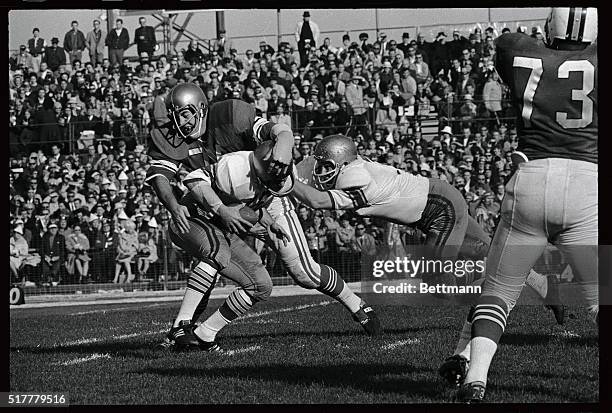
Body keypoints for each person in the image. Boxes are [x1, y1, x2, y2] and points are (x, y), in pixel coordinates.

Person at [149, 83, 380, 350]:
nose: (182, 121)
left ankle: (357, 304)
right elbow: (169, 178)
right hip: (218, 202)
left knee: (304, 273)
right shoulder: (170, 137)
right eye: (176, 114)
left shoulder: (229, 114)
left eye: (188, 113)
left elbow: (274, 129)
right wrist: (192, 207)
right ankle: (186, 330)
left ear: (202, 108)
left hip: (267, 197)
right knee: (213, 254)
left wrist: (285, 139)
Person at [454, 7, 598, 403]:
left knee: (499, 290)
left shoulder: (515, 48)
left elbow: (508, 46)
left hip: (531, 177)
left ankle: (475, 379)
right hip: (586, 181)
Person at [114, 218, 138, 283]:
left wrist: (128, 250)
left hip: (132, 252)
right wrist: (123, 250)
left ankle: (129, 276)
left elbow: (135, 245)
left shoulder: (135, 235)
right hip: (123, 251)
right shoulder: (122, 235)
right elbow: (120, 244)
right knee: (118, 261)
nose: (131, 230)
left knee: (125, 260)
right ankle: (116, 277)